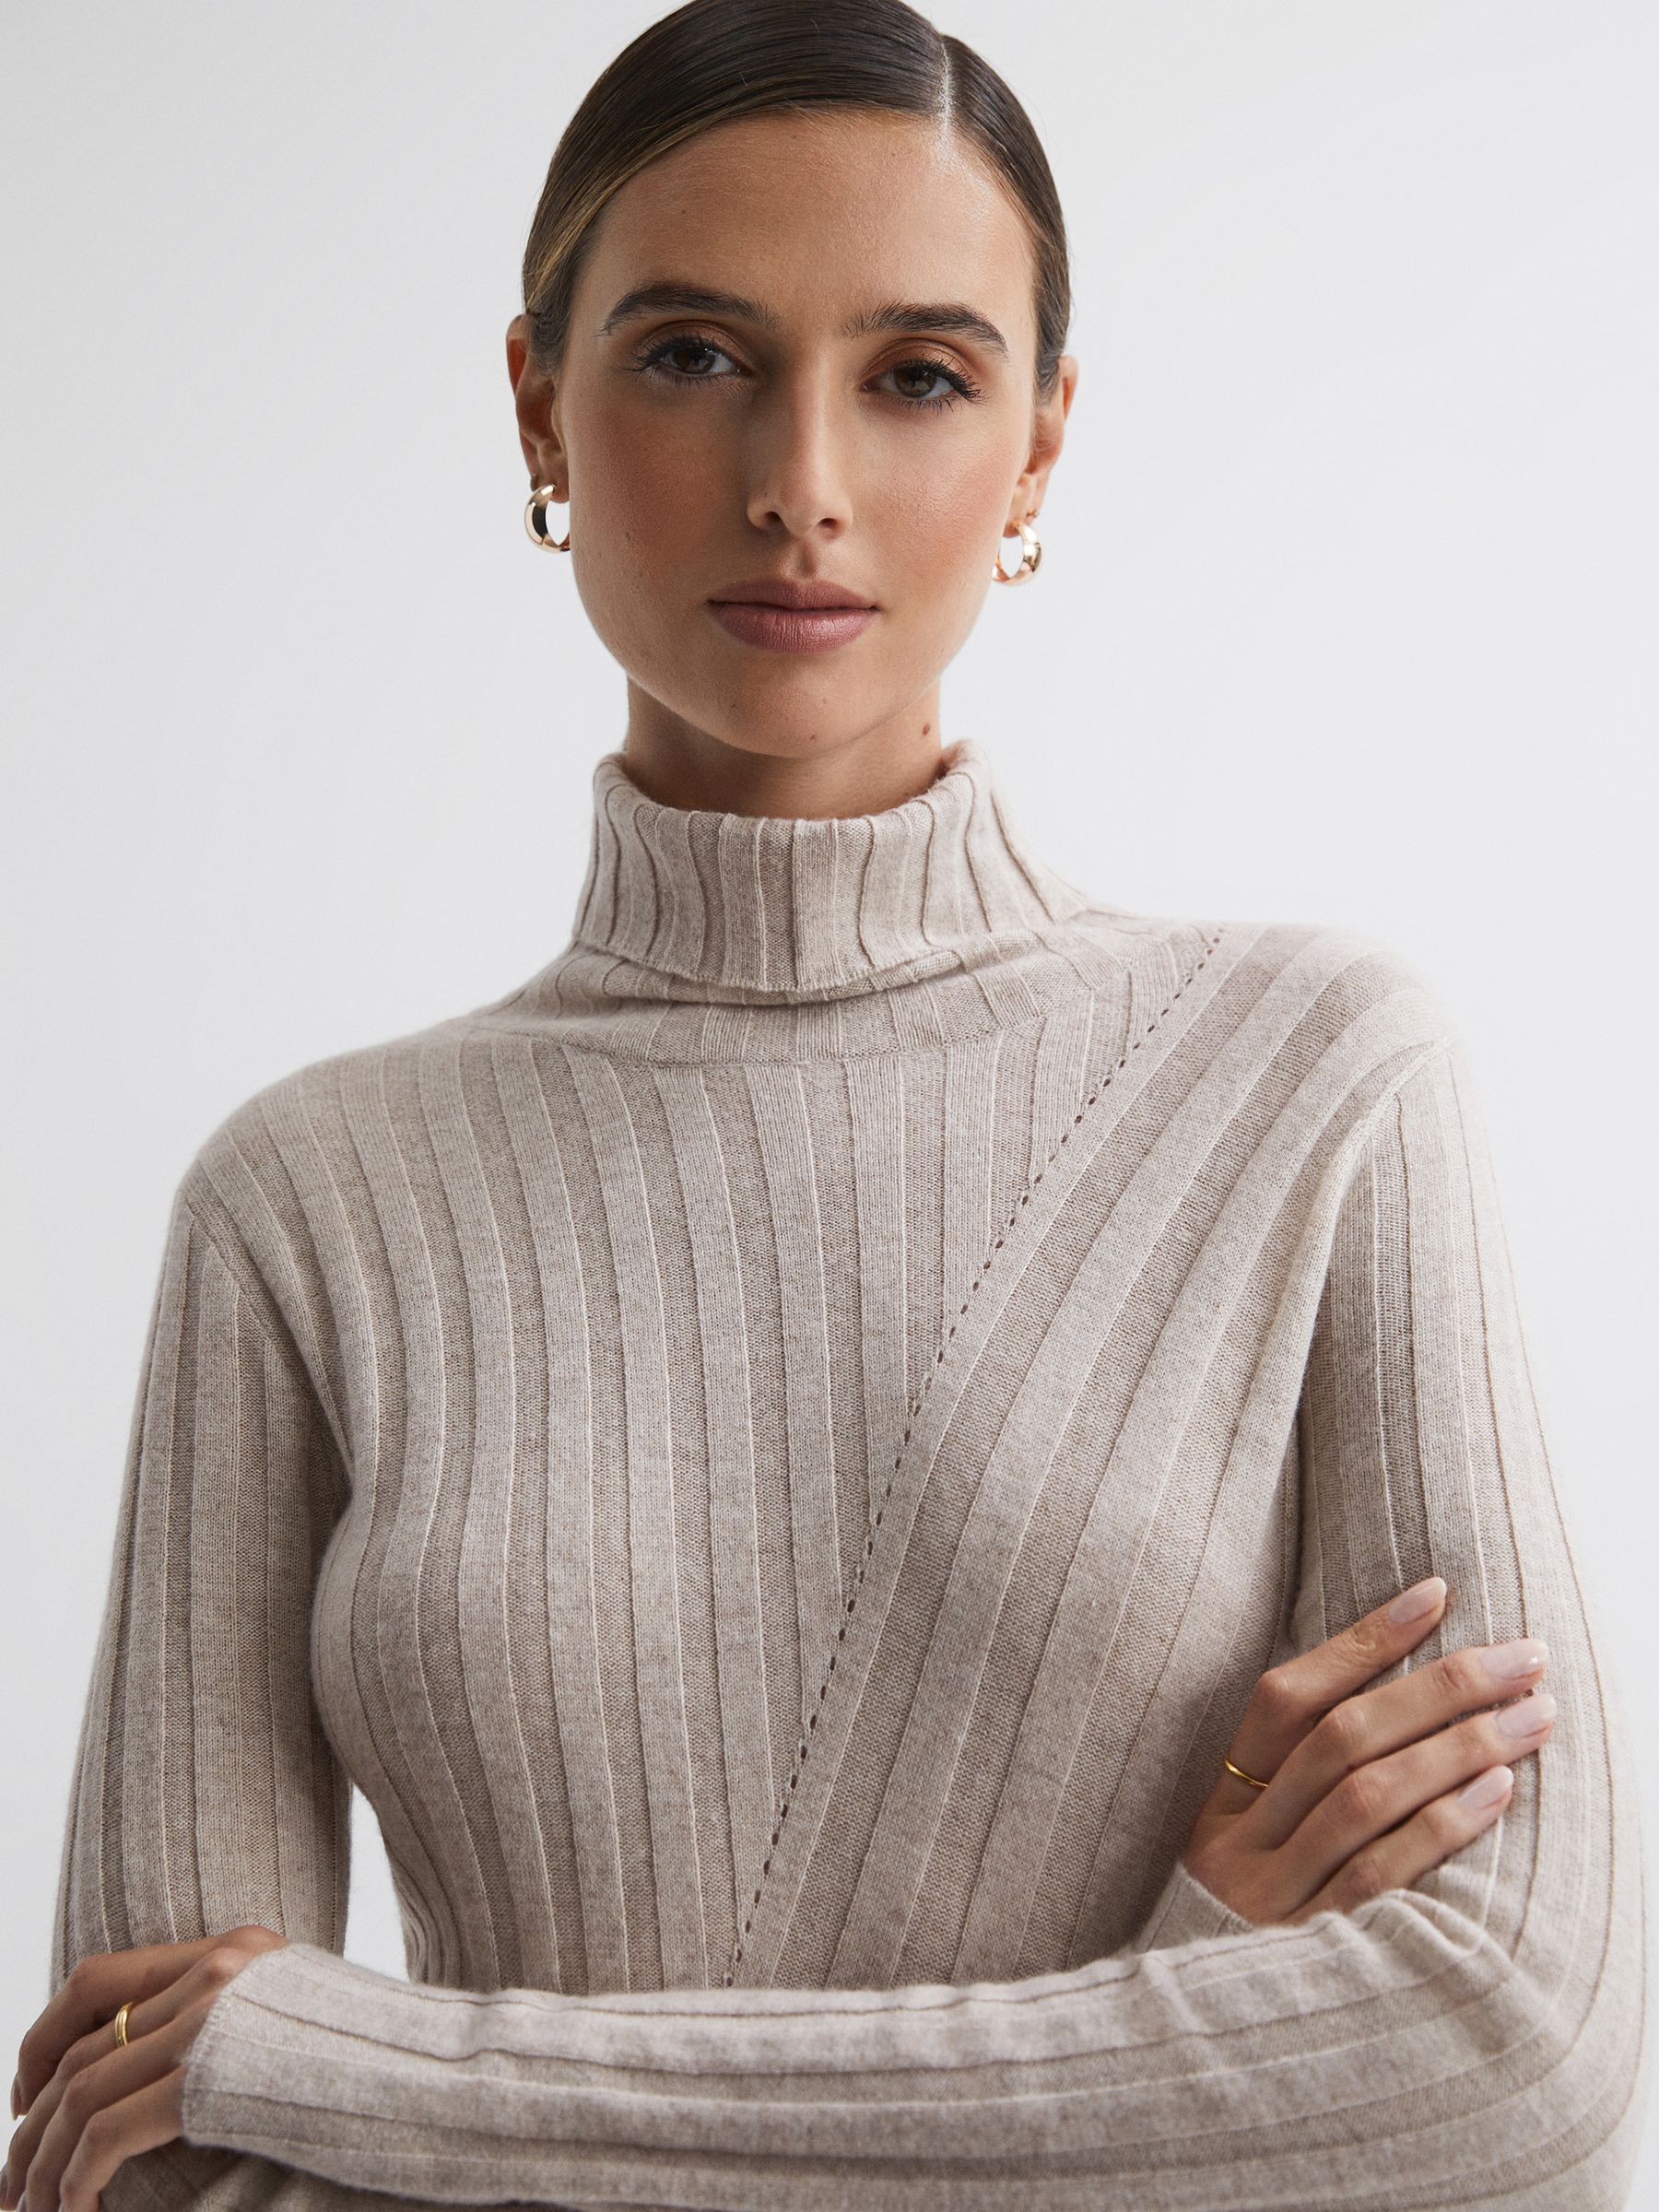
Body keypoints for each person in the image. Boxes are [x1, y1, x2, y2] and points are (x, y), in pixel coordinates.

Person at [6, 0, 1646, 2206]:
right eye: (694, 354)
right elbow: (138, 2161)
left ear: (1042, 443)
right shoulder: (310, 1206)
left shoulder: (1316, 1081)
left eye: (920, 376)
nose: (802, 482)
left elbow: (1516, 2053)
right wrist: (1202, 1993)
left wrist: (379, 2072)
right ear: (540, 405)